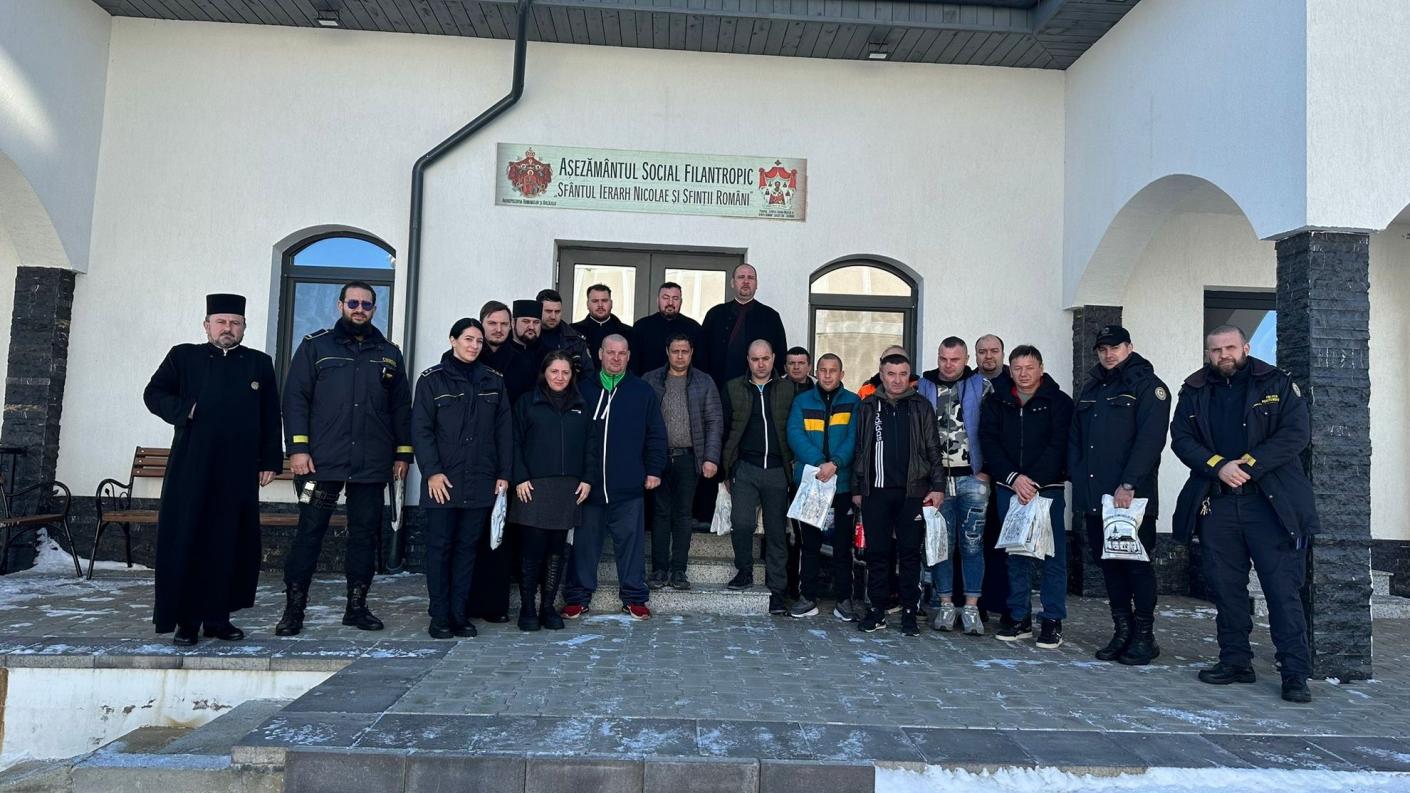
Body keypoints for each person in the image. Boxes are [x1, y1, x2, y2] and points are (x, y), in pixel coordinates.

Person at [1171, 325, 1316, 703]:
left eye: (1230, 347)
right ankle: (1235, 661)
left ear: (1246, 348)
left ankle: (1295, 673)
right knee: (1226, 589)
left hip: (1270, 505)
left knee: (1281, 590)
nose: (1224, 355)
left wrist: (1249, 465)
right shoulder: (1194, 389)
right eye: (1216, 350)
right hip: (1218, 502)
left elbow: (1295, 434)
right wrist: (1218, 466)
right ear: (1208, 353)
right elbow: (1181, 439)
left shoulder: (1276, 383)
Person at [143, 294, 282, 646]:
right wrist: (185, 409)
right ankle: (186, 621)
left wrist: (270, 461)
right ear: (207, 325)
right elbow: (153, 393)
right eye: (221, 322)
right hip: (192, 465)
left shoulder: (259, 363)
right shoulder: (183, 357)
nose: (227, 328)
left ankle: (219, 619)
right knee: (187, 538)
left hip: (238, 469)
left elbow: (270, 414)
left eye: (235, 323)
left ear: (244, 327)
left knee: (229, 542)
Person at [278, 281, 412, 637]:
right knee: (309, 532)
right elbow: (295, 399)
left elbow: (401, 407)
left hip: (371, 464)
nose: (359, 309)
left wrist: (403, 452)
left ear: (374, 309)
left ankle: (356, 607)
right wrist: (298, 449)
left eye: (366, 304)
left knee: (364, 536)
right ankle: (294, 610)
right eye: (353, 303)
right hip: (320, 462)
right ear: (340, 305)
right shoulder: (315, 346)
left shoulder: (389, 353)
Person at [1069, 325, 1171, 665]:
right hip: (1098, 498)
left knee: (1137, 566)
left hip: (1132, 499)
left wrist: (1128, 484)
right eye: (1102, 349)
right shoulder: (1092, 386)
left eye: (1115, 347)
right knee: (1110, 566)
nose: (1108, 354)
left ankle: (1144, 636)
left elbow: (1151, 441)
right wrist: (1079, 479)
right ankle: (1122, 631)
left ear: (1129, 347)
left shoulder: (1148, 386)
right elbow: (1077, 439)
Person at [411, 318, 511, 639]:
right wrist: (432, 471)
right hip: (443, 482)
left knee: (468, 550)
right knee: (440, 549)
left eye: (479, 341)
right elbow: (421, 430)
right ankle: (439, 615)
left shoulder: (493, 380)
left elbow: (504, 431)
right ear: (453, 340)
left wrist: (504, 473)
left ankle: (459, 613)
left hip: (480, 480)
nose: (474, 346)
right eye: (468, 339)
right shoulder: (432, 380)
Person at [562, 334, 667, 620]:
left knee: (631, 546)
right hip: (589, 487)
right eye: (611, 352)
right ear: (600, 354)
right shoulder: (583, 388)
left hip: (628, 485)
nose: (616, 358)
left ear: (629, 356)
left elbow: (656, 434)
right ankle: (577, 597)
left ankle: (634, 597)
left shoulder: (641, 391)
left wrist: (654, 469)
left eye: (622, 353)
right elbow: (570, 434)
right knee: (584, 546)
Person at [980, 345, 1073, 649]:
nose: (1023, 374)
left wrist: (1032, 481)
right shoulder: (997, 401)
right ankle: (1019, 617)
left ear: (1041, 368)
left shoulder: (1059, 402)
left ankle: (1052, 619)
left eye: (1029, 367)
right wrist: (1013, 478)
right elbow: (989, 442)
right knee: (1015, 555)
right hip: (1010, 489)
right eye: (1017, 368)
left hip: (1047, 490)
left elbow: (1059, 445)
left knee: (1052, 556)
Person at [850, 353, 945, 635]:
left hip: (912, 493)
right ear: (881, 374)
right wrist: (857, 488)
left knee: (910, 555)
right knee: (877, 554)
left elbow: (933, 448)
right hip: (876, 492)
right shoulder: (868, 406)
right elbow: (859, 449)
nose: (897, 380)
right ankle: (876, 611)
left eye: (903, 374)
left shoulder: (920, 405)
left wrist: (938, 487)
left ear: (909, 376)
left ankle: (909, 614)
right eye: (891, 374)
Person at [510, 351, 600, 631]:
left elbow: (591, 446)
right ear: (544, 373)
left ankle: (547, 607)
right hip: (533, 487)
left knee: (556, 551)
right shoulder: (527, 402)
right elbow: (513, 442)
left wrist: (587, 478)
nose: (560, 377)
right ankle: (528, 607)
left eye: (565, 372)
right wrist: (519, 477)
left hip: (567, 488)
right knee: (532, 550)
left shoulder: (581, 405)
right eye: (554, 371)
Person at [917, 337, 992, 635]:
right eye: (944, 359)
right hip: (936, 482)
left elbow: (994, 429)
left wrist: (987, 470)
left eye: (955, 359)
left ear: (966, 359)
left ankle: (971, 607)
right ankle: (946, 603)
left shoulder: (981, 386)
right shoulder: (923, 387)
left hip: (972, 478)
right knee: (941, 544)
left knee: (972, 543)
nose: (948, 365)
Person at [721, 340, 797, 615]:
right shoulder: (733, 388)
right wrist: (726, 468)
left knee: (776, 532)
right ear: (748, 360)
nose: (761, 364)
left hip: (778, 470)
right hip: (746, 467)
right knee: (741, 523)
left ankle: (777, 591)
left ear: (774, 358)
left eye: (765, 358)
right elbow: (724, 429)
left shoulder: (788, 388)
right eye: (755, 359)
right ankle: (744, 571)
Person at [643, 333, 723, 590]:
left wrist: (710, 458)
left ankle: (679, 571)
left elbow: (714, 422)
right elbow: (640, 420)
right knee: (659, 514)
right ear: (667, 352)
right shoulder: (651, 380)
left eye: (684, 351)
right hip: (657, 458)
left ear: (691, 353)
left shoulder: (704, 381)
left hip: (689, 458)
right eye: (675, 351)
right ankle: (659, 570)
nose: (680, 356)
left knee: (683, 514)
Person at [786, 353, 862, 620]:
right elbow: (794, 435)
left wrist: (836, 463)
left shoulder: (853, 402)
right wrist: (820, 463)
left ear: (842, 374)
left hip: (842, 485)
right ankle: (807, 598)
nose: (828, 375)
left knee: (843, 546)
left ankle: (844, 600)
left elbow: (855, 437)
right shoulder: (802, 401)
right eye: (823, 370)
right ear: (816, 373)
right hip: (811, 484)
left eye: (833, 370)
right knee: (809, 544)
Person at [699, 263, 787, 386]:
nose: (746, 282)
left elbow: (780, 356)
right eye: (741, 277)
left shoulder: (771, 317)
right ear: (732, 283)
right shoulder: (715, 314)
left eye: (751, 278)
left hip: (759, 388)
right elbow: (702, 353)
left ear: (756, 284)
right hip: (717, 387)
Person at [974, 333, 1011, 621]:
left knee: (1006, 542)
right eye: (983, 351)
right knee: (977, 541)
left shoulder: (1015, 382)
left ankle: (1007, 606)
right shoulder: (968, 384)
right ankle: (979, 603)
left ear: (1002, 353)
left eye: (994, 350)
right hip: (975, 476)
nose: (988, 356)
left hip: (1007, 476)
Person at [632, 282, 702, 376]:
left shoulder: (694, 328)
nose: (670, 303)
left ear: (681, 302)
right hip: (647, 383)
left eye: (675, 298)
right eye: (665, 298)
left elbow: (700, 365)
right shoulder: (641, 327)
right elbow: (633, 364)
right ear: (658, 300)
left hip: (685, 383)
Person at [571, 284, 634, 370]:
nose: (600, 305)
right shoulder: (574, 331)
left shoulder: (628, 333)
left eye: (604, 301)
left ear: (611, 303)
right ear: (587, 304)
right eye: (595, 301)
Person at [536, 288, 594, 379]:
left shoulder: (575, 340)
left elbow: (588, 375)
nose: (553, 316)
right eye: (548, 311)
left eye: (557, 312)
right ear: (538, 310)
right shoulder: (527, 336)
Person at [503, 299, 544, 400]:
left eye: (536, 322)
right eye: (526, 321)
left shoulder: (548, 355)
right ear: (513, 323)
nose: (531, 327)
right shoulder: (501, 353)